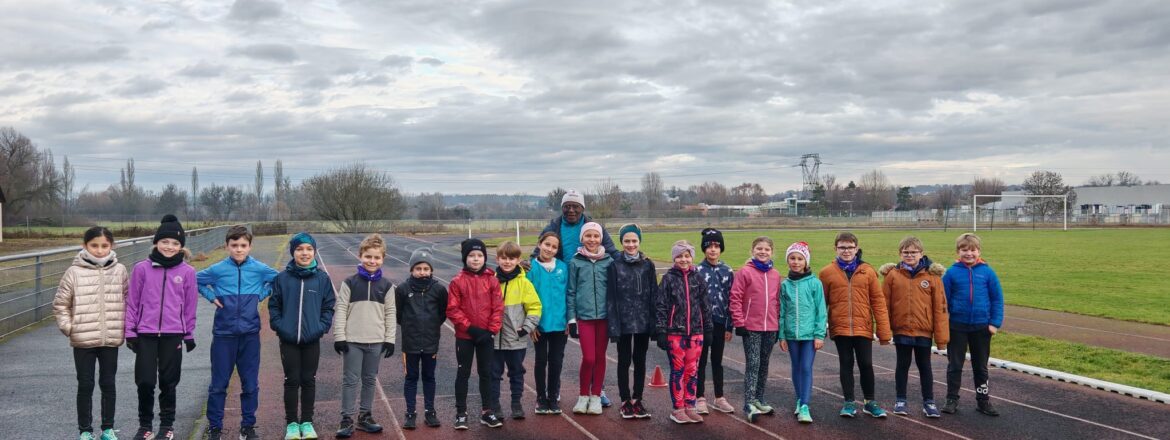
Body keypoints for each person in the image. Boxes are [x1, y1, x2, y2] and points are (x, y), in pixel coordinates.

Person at [196, 225, 279, 440]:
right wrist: (211, 296)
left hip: (250, 335)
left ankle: (247, 426)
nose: (239, 249)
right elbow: (195, 280)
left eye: (243, 245)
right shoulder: (217, 269)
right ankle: (214, 427)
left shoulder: (259, 269)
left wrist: (261, 294)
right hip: (224, 335)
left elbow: (278, 279)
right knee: (218, 384)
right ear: (227, 246)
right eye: (234, 245)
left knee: (250, 384)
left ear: (250, 246)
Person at [124, 215, 199, 440]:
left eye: (175, 243)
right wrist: (130, 331)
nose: (170, 247)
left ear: (181, 247)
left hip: (173, 334)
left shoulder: (187, 272)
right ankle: (145, 426)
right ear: (156, 242)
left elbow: (190, 306)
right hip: (145, 334)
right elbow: (133, 302)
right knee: (145, 381)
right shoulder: (141, 269)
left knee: (169, 382)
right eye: (165, 241)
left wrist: (189, 334)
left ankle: (166, 426)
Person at [53, 226, 129, 440]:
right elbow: (60, 304)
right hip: (83, 341)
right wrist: (70, 328)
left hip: (110, 339)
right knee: (85, 385)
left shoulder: (120, 270)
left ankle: (107, 428)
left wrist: (125, 328)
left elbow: (128, 300)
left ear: (111, 246)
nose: (99, 250)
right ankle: (85, 430)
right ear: (84, 246)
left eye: (104, 246)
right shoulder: (73, 272)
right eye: (94, 245)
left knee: (108, 384)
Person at [818, 232, 891, 419]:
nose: (846, 251)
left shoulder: (868, 271)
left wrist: (883, 331)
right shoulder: (827, 273)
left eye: (850, 247)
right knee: (846, 363)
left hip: (863, 326)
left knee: (866, 364)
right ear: (835, 249)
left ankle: (870, 402)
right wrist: (818, 330)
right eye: (842, 247)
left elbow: (878, 302)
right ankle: (849, 402)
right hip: (840, 327)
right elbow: (820, 304)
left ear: (856, 249)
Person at [269, 232, 335, 440]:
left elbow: (328, 306)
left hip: (311, 339)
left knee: (308, 380)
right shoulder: (282, 278)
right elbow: (274, 306)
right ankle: (291, 424)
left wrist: (321, 327)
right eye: (299, 249)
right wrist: (280, 327)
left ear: (314, 252)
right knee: (292, 380)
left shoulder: (322, 279)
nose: (304, 253)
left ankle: (307, 422)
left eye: (308, 249)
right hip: (288, 340)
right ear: (293, 252)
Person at [333, 234, 397, 438]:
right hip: (353, 340)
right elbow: (341, 309)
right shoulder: (349, 283)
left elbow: (390, 313)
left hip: (376, 341)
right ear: (360, 256)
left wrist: (390, 339)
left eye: (377, 258)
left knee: (369, 380)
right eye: (368, 256)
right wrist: (339, 336)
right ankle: (346, 419)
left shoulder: (387, 286)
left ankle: (365, 416)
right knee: (350, 380)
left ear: (382, 259)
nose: (372, 261)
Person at [880, 236, 949, 418]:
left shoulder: (932, 277)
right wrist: (884, 331)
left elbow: (940, 308)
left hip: (923, 331)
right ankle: (900, 400)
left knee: (924, 366)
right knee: (902, 365)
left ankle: (929, 402)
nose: (909, 255)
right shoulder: (892, 276)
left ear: (921, 253)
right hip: (902, 329)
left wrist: (941, 339)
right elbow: (884, 305)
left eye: (913, 252)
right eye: (906, 252)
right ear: (900, 254)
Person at [942, 233, 1004, 417]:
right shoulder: (951, 273)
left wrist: (994, 323)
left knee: (981, 366)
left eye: (973, 250)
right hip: (957, 326)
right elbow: (942, 301)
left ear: (979, 251)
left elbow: (997, 299)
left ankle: (983, 401)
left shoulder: (988, 272)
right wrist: (945, 324)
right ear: (958, 251)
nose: (969, 253)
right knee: (955, 365)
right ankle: (952, 399)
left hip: (981, 327)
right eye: (964, 250)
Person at [446, 238, 504, 430]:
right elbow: (453, 310)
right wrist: (471, 328)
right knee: (463, 373)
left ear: (485, 258)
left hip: (486, 337)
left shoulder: (492, 281)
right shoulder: (457, 282)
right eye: (472, 256)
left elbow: (498, 307)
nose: (476, 259)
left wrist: (491, 330)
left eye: (480, 256)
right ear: (465, 258)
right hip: (465, 337)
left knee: (486, 373)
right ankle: (461, 413)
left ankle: (487, 412)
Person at [655, 240, 711, 424]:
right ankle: (677, 408)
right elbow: (661, 305)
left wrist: (708, 328)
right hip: (675, 333)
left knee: (692, 370)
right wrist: (662, 330)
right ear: (674, 258)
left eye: (687, 255)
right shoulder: (668, 278)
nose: (683, 259)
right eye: (679, 256)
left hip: (696, 332)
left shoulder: (698, 278)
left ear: (692, 257)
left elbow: (705, 305)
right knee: (678, 371)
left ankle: (690, 405)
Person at [729, 236, 782, 423]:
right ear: (752, 251)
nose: (763, 252)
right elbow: (735, 298)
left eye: (767, 249)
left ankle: (759, 398)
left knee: (764, 364)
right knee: (753, 364)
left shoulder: (775, 274)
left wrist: (777, 324)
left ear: (772, 252)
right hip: (750, 327)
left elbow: (777, 302)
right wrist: (739, 322)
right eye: (759, 248)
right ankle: (749, 402)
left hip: (771, 327)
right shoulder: (744, 272)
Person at [606, 224, 657, 419]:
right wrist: (614, 323)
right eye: (626, 241)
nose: (630, 244)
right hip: (623, 321)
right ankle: (625, 399)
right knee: (624, 360)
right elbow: (611, 295)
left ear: (639, 242)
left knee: (640, 360)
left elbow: (654, 293)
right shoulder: (614, 264)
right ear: (621, 242)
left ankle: (637, 398)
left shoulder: (648, 264)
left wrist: (654, 322)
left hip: (643, 321)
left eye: (634, 240)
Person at [395, 248, 448, 429]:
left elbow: (442, 314)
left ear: (431, 270)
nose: (422, 272)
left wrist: (431, 328)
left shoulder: (439, 289)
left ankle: (430, 412)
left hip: (431, 342)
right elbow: (398, 315)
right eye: (418, 269)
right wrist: (412, 328)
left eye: (426, 268)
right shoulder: (402, 289)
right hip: (410, 343)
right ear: (411, 270)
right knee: (411, 378)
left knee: (429, 377)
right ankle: (410, 413)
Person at [490, 241, 542, 421]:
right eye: (503, 258)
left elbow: (535, 307)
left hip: (516, 338)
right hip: (494, 338)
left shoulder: (524, 284)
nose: (507, 262)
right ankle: (495, 405)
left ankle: (516, 403)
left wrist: (526, 328)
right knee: (493, 374)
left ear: (518, 260)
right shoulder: (490, 282)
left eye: (511, 258)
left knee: (516, 372)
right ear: (497, 259)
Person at [566, 222, 614, 415]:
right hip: (584, 318)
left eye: (596, 236)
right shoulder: (575, 261)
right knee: (589, 358)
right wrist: (571, 319)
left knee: (600, 358)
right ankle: (583, 395)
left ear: (601, 238)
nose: (592, 240)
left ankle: (596, 396)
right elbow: (571, 291)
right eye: (588, 236)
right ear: (582, 238)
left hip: (604, 318)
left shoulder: (609, 261)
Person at [777, 242, 827, 424]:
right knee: (796, 367)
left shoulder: (815, 283)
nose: (796, 262)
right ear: (788, 260)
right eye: (792, 258)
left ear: (806, 261)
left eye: (800, 258)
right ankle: (799, 400)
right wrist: (782, 335)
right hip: (791, 335)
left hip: (809, 335)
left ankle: (805, 405)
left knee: (806, 367)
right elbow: (781, 312)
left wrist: (819, 334)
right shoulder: (785, 285)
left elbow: (821, 311)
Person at [527, 232, 570, 415]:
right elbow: (527, 298)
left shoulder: (563, 267)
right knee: (541, 361)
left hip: (560, 324)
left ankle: (553, 397)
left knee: (556, 362)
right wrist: (531, 324)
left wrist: (569, 319)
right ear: (539, 244)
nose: (549, 249)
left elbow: (569, 293)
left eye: (553, 247)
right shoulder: (531, 268)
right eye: (547, 244)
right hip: (540, 325)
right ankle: (540, 398)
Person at [695, 228, 735, 415]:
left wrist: (729, 325)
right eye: (709, 246)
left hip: (720, 323)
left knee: (717, 361)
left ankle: (719, 397)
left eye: (716, 246)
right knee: (700, 361)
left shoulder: (727, 271)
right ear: (704, 249)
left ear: (721, 249)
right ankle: (699, 397)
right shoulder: (697, 270)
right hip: (701, 324)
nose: (713, 249)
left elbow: (732, 300)